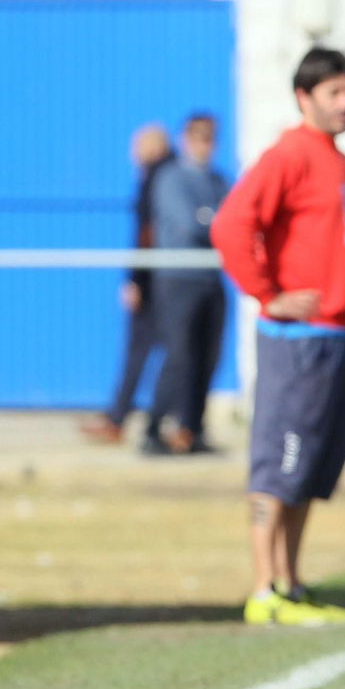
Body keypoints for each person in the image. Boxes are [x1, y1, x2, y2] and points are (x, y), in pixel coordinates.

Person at [210, 48, 345, 627]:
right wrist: (267, 292)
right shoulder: (289, 155)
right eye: (334, 92)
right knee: (280, 462)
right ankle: (263, 590)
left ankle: (292, 584)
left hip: (342, 339)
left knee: (311, 471)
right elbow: (231, 224)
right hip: (298, 340)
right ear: (305, 97)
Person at [80, 123, 172, 444]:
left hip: (154, 280)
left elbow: (146, 234)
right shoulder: (173, 176)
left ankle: (120, 420)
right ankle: (129, 418)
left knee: (141, 352)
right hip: (168, 278)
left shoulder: (155, 180)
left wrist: (136, 280)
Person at [144, 113, 230, 454]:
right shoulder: (170, 178)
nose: (204, 144)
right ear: (185, 139)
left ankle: (192, 430)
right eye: (198, 137)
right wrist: (214, 219)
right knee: (179, 356)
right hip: (178, 279)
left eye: (210, 137)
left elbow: (229, 221)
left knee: (208, 357)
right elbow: (190, 223)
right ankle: (153, 429)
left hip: (210, 278)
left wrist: (213, 219)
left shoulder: (218, 180)